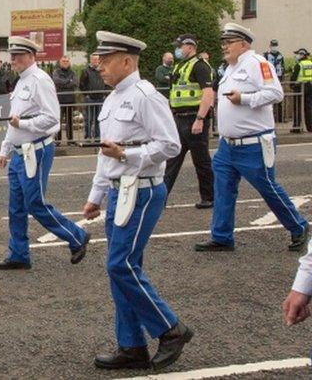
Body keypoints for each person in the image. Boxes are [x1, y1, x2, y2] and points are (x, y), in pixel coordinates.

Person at [81, 31, 191, 371]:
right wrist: (96, 195)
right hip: (120, 190)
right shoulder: (113, 98)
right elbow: (106, 153)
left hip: (141, 190)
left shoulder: (146, 95)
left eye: (107, 59)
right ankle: (131, 346)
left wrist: (128, 154)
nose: (99, 65)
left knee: (120, 264)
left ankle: (170, 328)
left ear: (127, 61)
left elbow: (170, 145)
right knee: (122, 269)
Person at [195, 23, 309, 253]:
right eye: (223, 42)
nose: (224, 46)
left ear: (244, 43)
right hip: (229, 145)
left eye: (229, 42)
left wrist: (244, 99)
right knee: (223, 189)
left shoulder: (259, 63)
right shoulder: (230, 68)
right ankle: (222, 236)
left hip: (254, 143)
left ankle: (299, 227)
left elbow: (276, 93)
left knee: (267, 187)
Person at [0, 37, 90, 270]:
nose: (13, 60)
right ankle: (18, 254)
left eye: (17, 55)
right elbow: (14, 118)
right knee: (16, 207)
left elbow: (51, 119)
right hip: (20, 152)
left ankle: (76, 235)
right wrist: (6, 148)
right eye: (12, 55)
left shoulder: (40, 80)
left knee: (35, 203)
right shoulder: (21, 82)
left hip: (36, 150)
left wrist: (23, 126)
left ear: (31, 56)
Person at [163, 34, 215, 209]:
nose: (177, 49)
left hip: (194, 118)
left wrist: (200, 119)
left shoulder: (200, 66)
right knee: (171, 160)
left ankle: (209, 197)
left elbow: (208, 93)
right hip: (179, 118)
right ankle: (160, 199)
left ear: (190, 46)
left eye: (180, 46)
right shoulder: (180, 66)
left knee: (201, 161)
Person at [79, 54, 108, 139]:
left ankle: (97, 136)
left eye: (97, 60)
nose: (96, 61)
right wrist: (86, 94)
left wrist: (105, 94)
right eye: (94, 60)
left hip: (100, 98)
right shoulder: (85, 71)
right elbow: (81, 84)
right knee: (88, 119)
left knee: (99, 119)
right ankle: (87, 136)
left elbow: (107, 82)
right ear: (90, 60)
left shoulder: (103, 70)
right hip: (90, 99)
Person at [52, 56, 78, 141]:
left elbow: (75, 82)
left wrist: (65, 83)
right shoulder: (56, 72)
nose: (65, 63)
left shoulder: (72, 72)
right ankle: (58, 140)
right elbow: (56, 81)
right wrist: (68, 81)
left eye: (67, 61)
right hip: (59, 101)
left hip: (70, 100)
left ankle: (70, 139)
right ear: (60, 62)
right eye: (63, 61)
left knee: (70, 121)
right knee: (58, 121)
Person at [290, 48, 312, 132]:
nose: (297, 56)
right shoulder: (311, 63)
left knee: (297, 107)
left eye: (298, 54)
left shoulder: (299, 65)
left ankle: (297, 127)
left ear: (302, 55)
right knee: (309, 108)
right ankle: (310, 127)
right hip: (310, 86)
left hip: (300, 87)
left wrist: (291, 85)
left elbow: (294, 77)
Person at [265, 40, 285, 122]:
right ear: (270, 46)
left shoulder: (280, 56)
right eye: (273, 45)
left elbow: (283, 67)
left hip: (279, 78)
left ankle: (279, 118)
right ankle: (270, 118)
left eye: (276, 45)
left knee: (279, 98)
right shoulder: (266, 55)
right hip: (269, 79)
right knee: (269, 98)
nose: (274, 47)